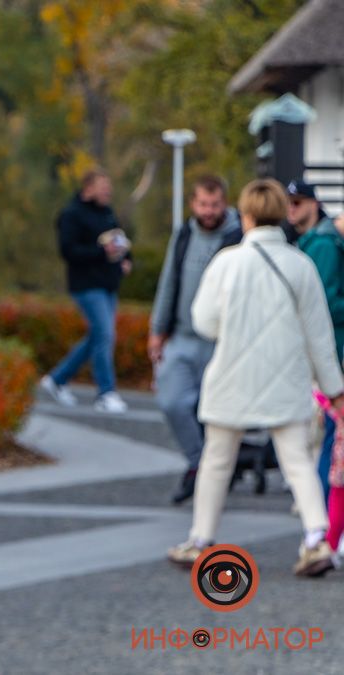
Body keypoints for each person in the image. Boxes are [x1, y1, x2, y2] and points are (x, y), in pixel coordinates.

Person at [165, 178, 344, 577]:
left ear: (244, 216)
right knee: (296, 459)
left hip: (232, 373)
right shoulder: (301, 265)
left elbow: (204, 323)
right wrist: (334, 389)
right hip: (287, 375)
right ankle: (317, 540)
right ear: (282, 214)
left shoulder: (226, 262)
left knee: (216, 459)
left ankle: (200, 540)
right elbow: (319, 335)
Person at [147, 175, 242, 504]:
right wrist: (157, 330)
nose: (209, 211)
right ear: (193, 204)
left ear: (225, 203)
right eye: (203, 204)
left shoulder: (237, 236)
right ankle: (200, 464)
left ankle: (211, 475)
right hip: (183, 336)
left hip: (220, 340)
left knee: (211, 412)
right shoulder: (185, 234)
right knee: (172, 401)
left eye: (215, 205)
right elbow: (169, 281)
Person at [39, 168, 132, 414]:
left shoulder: (107, 213)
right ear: (88, 188)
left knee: (98, 337)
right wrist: (101, 253)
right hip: (86, 285)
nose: (107, 193)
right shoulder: (71, 215)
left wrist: (125, 258)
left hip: (108, 283)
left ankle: (57, 379)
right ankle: (106, 392)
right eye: (103, 189)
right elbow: (68, 251)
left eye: (109, 189)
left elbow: (119, 239)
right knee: (104, 334)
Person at [290, 178, 344, 503]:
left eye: (297, 202)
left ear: (314, 204)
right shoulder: (315, 240)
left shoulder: (322, 244)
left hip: (326, 355)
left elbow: (320, 304)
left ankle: (321, 517)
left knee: (323, 437)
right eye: (288, 202)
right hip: (324, 353)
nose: (291, 208)